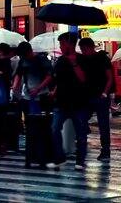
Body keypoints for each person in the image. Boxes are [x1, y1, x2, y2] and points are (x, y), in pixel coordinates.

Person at [47, 32, 89, 170]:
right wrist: (53, 91)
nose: (61, 46)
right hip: (61, 102)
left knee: (81, 133)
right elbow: (56, 78)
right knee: (54, 129)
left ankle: (80, 160)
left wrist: (74, 63)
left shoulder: (82, 59)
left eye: (62, 43)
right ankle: (59, 157)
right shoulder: (60, 60)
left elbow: (83, 79)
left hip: (78, 103)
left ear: (70, 44)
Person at [79, 37, 113, 161]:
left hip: (100, 96)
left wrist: (105, 93)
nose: (83, 52)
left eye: (84, 49)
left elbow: (110, 77)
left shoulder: (102, 58)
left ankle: (105, 150)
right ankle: (84, 145)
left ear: (90, 47)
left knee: (103, 125)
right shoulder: (83, 60)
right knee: (82, 120)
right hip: (88, 96)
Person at [13, 42, 53, 116]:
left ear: (30, 51)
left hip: (42, 95)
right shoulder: (23, 60)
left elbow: (49, 76)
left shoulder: (42, 59)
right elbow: (18, 73)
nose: (24, 57)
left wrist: (38, 88)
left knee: (41, 119)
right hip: (27, 95)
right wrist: (15, 85)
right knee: (28, 118)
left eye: (25, 55)